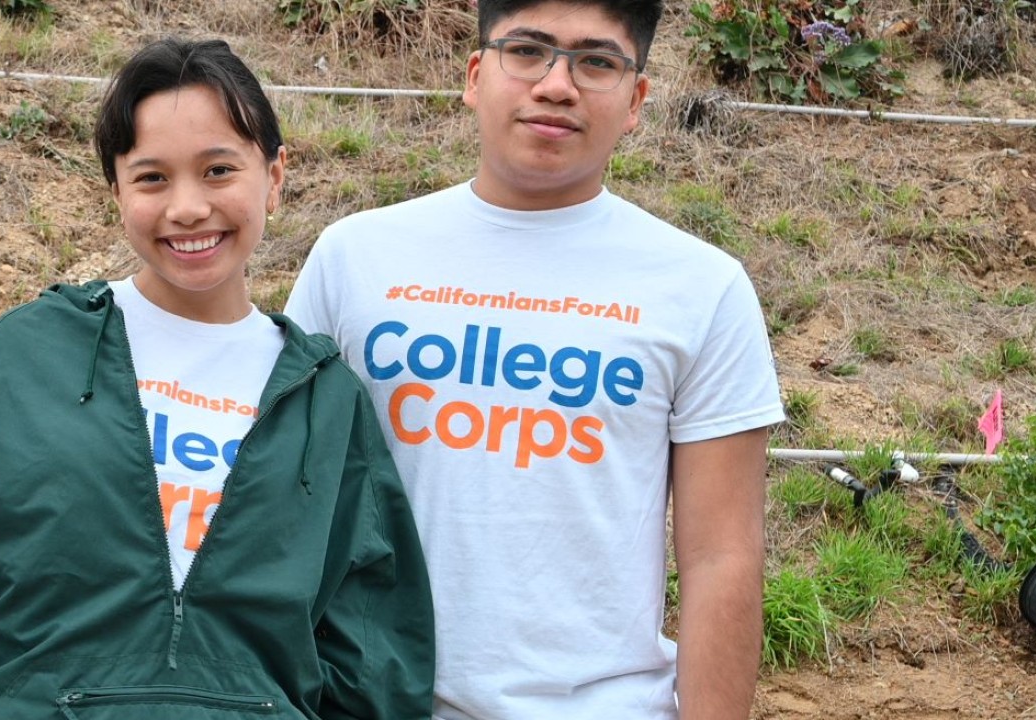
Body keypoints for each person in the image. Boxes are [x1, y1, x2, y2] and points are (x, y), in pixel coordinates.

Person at [0, 38, 435, 719]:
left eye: (218, 170)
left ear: (273, 176)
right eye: (152, 178)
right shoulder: (28, 352)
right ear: (116, 191)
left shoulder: (325, 400)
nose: (187, 207)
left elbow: (372, 647)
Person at [284, 0, 784, 716]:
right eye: (527, 51)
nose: (556, 84)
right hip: (375, 701)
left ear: (636, 99)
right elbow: (283, 499)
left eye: (597, 61)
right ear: (475, 74)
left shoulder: (703, 288)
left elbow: (722, 559)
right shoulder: (354, 258)